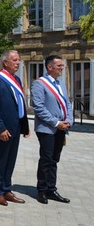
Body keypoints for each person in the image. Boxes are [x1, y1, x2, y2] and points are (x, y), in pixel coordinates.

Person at [0, 50, 29, 206]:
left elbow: (20, 102)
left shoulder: (16, 79)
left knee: (11, 160)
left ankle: (6, 189)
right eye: (15, 60)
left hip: (16, 126)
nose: (18, 62)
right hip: (3, 128)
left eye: (18, 60)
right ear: (6, 62)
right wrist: (0, 128)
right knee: (2, 160)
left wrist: (25, 125)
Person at [31, 54, 72, 204]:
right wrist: (56, 123)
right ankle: (42, 190)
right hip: (47, 128)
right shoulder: (39, 84)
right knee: (46, 159)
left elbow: (68, 103)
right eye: (59, 66)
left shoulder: (60, 83)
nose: (62, 68)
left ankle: (51, 188)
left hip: (61, 127)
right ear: (50, 67)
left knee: (54, 159)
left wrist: (69, 121)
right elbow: (39, 108)